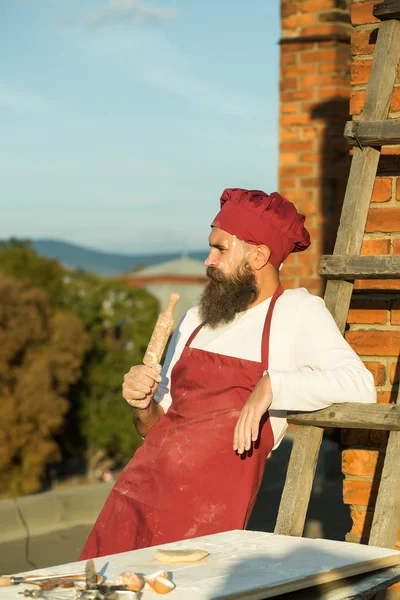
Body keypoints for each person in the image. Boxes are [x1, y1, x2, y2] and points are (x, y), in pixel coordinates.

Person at [80, 188, 376, 559]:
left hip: (208, 518)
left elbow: (361, 384)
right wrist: (141, 404)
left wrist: (273, 384)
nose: (209, 260)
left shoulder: (297, 313)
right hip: (137, 495)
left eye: (220, 249)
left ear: (259, 255)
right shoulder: (197, 319)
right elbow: (155, 427)